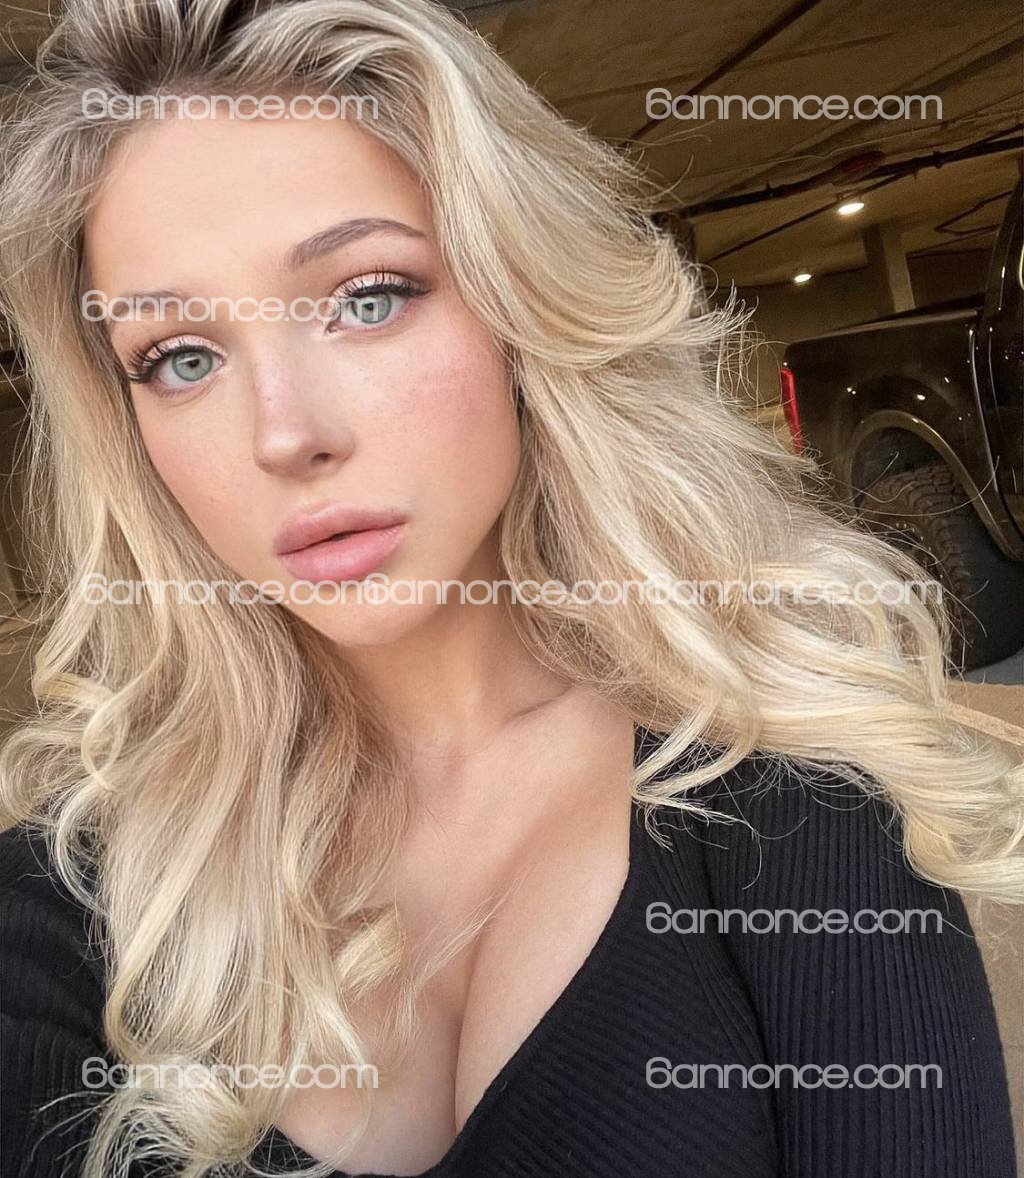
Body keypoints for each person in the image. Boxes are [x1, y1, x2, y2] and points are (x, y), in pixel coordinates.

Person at [0, 1, 1019, 1175]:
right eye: (181, 357)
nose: (285, 433)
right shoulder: (83, 902)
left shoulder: (792, 796)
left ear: (520, 307)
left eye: (368, 297)